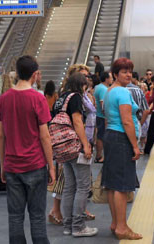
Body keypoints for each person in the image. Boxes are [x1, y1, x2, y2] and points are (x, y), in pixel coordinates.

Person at [0, 55, 56, 244]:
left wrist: (3, 165)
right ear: (34, 74)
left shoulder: (4, 99)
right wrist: (51, 166)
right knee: (37, 217)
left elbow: (0, 135)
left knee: (15, 217)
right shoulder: (38, 99)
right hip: (35, 165)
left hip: (13, 166)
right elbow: (45, 136)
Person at [101, 57, 143, 240]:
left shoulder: (110, 91)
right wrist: (135, 145)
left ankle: (115, 223)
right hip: (121, 139)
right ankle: (122, 227)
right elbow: (127, 121)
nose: (128, 75)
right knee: (122, 186)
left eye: (130, 71)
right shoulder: (124, 93)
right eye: (124, 71)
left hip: (110, 136)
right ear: (115, 74)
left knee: (112, 184)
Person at [52, 73, 98, 237]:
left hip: (61, 149)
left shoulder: (60, 99)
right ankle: (78, 226)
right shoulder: (76, 97)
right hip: (74, 146)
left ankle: (68, 225)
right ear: (81, 85)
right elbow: (77, 122)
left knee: (69, 187)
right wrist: (86, 145)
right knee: (83, 187)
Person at [93, 71, 113, 162]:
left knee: (99, 135)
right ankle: (99, 156)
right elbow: (103, 104)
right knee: (101, 136)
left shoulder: (97, 87)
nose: (112, 79)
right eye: (111, 77)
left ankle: (99, 155)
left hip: (97, 115)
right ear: (106, 79)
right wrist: (107, 117)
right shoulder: (103, 89)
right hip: (102, 116)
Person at [127, 72, 150, 147]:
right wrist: (140, 124)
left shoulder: (114, 90)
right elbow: (146, 110)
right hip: (136, 123)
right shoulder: (138, 90)